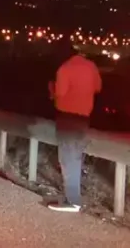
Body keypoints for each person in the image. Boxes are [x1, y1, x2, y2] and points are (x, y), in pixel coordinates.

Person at [47, 38, 102, 212]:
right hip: (84, 120)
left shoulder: (64, 69)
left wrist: (52, 90)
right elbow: (98, 88)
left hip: (67, 120)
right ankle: (73, 197)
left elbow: (61, 94)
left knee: (67, 160)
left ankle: (73, 201)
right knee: (76, 159)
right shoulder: (91, 66)